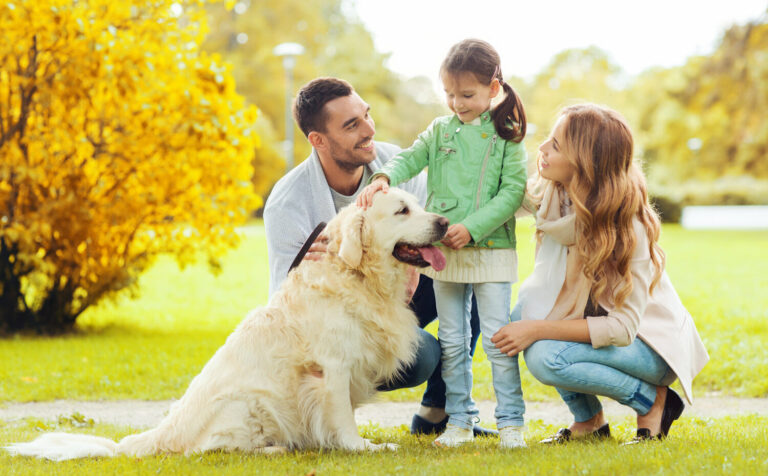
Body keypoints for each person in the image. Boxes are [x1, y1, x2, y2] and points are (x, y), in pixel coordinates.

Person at [262, 77, 495, 437]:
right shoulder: (288, 202)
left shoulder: (393, 162)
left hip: (399, 280)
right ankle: (338, 413)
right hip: (339, 314)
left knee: (474, 281)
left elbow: (423, 226)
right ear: (318, 140)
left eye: (366, 115)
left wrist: (412, 270)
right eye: (351, 125)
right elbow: (285, 300)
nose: (368, 129)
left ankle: (437, 413)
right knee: (422, 357)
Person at [491, 103, 709, 444]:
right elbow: (501, 197)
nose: (543, 150)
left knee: (546, 355)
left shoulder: (627, 226)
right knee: (526, 314)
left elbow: (622, 328)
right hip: (599, 322)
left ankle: (653, 401)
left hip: (649, 345)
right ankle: (590, 422)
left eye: (556, 145)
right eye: (548, 139)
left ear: (585, 164)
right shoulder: (555, 193)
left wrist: (535, 328)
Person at [358, 39, 528, 449]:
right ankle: (459, 421)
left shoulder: (508, 136)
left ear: (493, 87)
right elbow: (410, 157)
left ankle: (511, 424)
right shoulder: (439, 130)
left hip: (491, 253)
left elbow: (512, 193)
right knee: (453, 340)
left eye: (466, 95)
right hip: (447, 256)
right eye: (449, 94)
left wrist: (471, 228)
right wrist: (383, 177)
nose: (456, 103)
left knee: (496, 339)